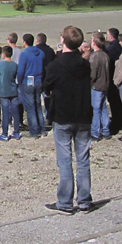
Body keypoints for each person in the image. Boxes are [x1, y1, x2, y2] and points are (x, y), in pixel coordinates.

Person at [43, 25, 93, 214]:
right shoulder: (85, 64)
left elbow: (47, 87)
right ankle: (84, 201)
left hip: (63, 116)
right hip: (83, 115)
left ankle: (64, 202)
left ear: (62, 40)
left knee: (65, 161)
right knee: (83, 160)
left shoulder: (56, 65)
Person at [17, 33, 46, 138]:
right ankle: (42, 128)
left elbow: (21, 70)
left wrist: (19, 81)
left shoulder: (24, 54)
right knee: (38, 105)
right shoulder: (41, 53)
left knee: (30, 107)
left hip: (28, 80)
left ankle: (34, 130)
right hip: (38, 79)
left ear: (24, 42)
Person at [0, 46, 21, 141]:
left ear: (3, 54)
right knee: (15, 112)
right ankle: (16, 132)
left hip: (4, 91)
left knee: (5, 113)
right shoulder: (15, 65)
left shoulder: (0, 64)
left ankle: (5, 134)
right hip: (13, 90)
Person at [89, 33, 111, 141]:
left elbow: (93, 74)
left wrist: (89, 83)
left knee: (96, 110)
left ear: (94, 43)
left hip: (97, 86)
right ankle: (106, 131)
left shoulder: (95, 56)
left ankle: (95, 132)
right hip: (105, 84)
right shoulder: (105, 55)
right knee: (103, 108)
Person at [105, 28, 122, 136]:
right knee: (118, 101)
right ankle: (120, 119)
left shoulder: (111, 49)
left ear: (111, 36)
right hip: (118, 77)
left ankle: (117, 122)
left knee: (114, 101)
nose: (106, 37)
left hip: (113, 77)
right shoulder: (119, 46)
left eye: (107, 35)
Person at [36, 32, 57, 124]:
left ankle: (38, 118)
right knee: (47, 98)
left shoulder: (36, 50)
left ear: (37, 41)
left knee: (37, 100)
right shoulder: (50, 50)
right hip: (48, 77)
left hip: (38, 77)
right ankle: (48, 116)